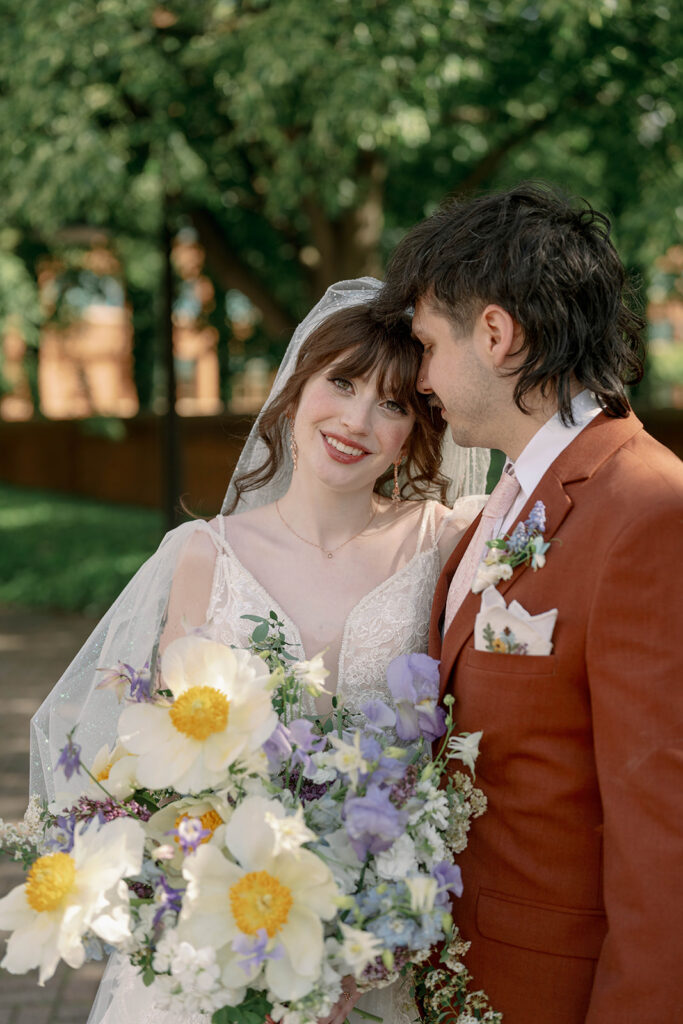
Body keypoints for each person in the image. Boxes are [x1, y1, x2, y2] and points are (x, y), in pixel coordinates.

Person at [29, 278, 489, 1024]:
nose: (356, 420)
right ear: (294, 388)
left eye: (393, 404)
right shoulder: (203, 555)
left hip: (377, 948)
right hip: (225, 940)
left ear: (418, 428)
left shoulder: (444, 541)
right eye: (340, 383)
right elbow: (160, 768)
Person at [373, 183, 683, 1023]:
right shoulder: (508, 499)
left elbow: (664, 837)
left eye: (428, 346)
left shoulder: (646, 508)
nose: (423, 377)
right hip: (458, 978)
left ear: (497, 334)